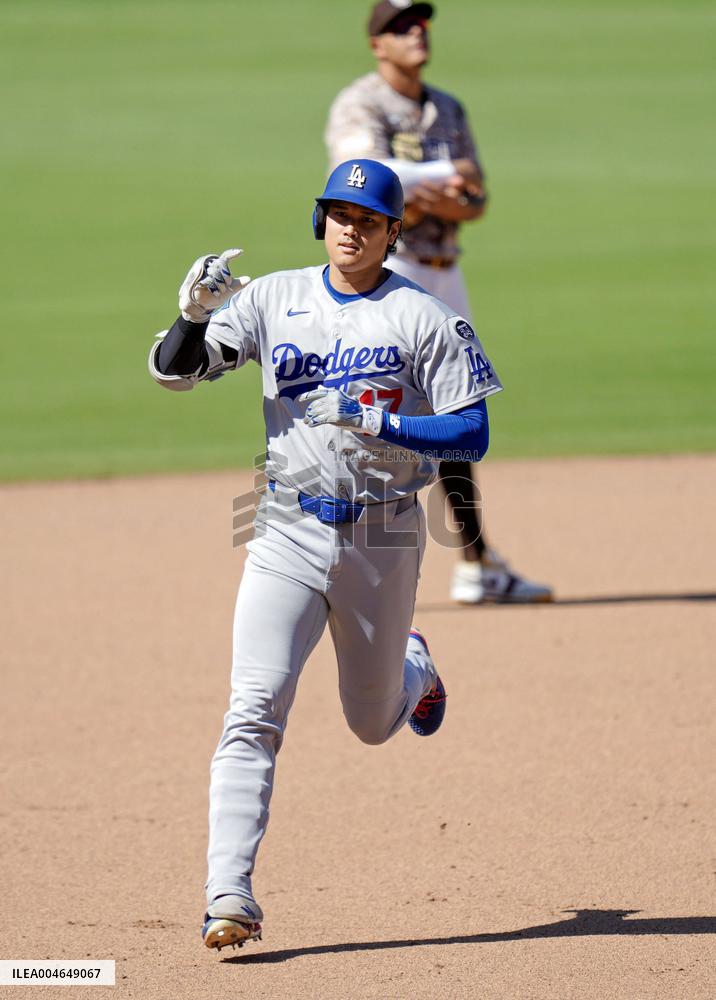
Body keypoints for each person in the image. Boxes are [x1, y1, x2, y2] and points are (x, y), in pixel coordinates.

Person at [148, 159, 503, 950]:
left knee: (373, 724)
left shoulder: (424, 317)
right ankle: (227, 894)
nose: (351, 228)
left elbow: (472, 431)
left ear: (390, 232)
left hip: (384, 536)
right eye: (339, 214)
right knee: (252, 709)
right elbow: (177, 373)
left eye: (368, 219)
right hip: (282, 530)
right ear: (322, 221)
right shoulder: (272, 298)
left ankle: (413, 667)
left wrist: (385, 425)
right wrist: (194, 316)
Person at [325, 0, 553, 604]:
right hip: (390, 271)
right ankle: (340, 554)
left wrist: (426, 192)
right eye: (401, 25)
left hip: (446, 276)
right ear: (377, 43)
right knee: (376, 413)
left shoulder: (446, 107)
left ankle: (476, 561)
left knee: (455, 414)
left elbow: (475, 197)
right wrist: (437, 182)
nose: (416, 31)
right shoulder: (361, 103)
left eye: (420, 21)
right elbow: (364, 179)